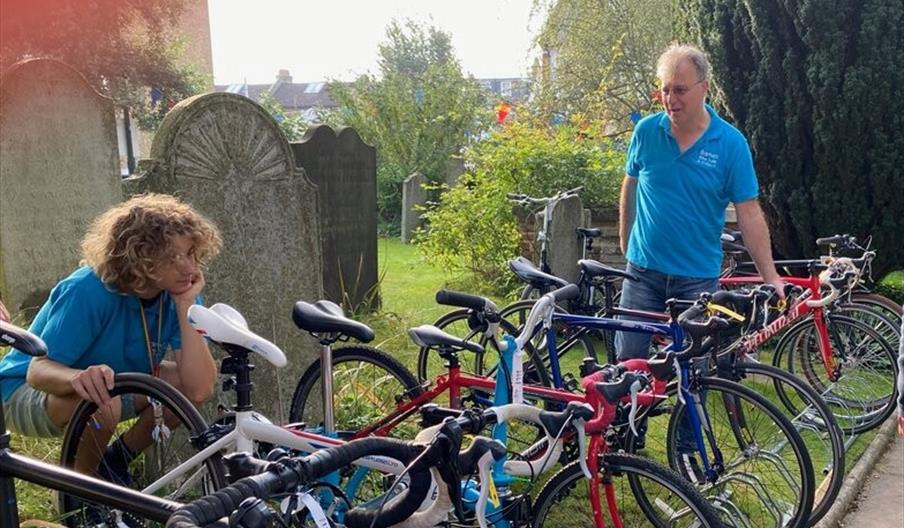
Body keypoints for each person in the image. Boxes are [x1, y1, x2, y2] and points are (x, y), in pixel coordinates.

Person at [616, 44, 784, 469]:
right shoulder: (647, 133)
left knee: (697, 375)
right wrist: (625, 240)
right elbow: (630, 184)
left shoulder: (730, 144)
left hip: (696, 282)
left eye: (680, 90)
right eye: (665, 90)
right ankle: (623, 443)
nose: (671, 100)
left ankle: (688, 454)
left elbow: (748, 213)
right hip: (643, 275)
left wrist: (771, 277)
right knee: (628, 364)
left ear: (704, 89)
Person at [0, 193, 222, 482]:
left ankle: (115, 464)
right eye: (172, 258)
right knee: (103, 401)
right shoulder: (88, 290)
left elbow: (199, 389)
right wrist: (78, 378)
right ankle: (78, 498)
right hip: (24, 393)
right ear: (141, 257)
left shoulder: (178, 292)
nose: (189, 268)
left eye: (191, 254)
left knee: (177, 386)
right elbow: (37, 371)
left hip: (110, 384)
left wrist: (185, 305)